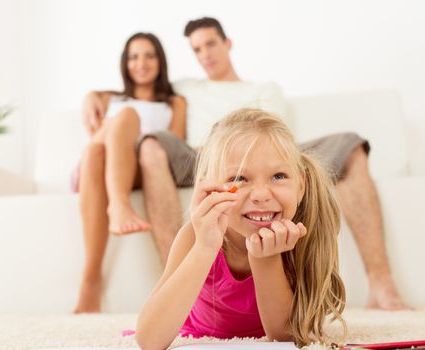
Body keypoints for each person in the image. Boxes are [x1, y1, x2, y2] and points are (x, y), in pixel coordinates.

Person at [83, 18, 409, 310]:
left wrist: (269, 166)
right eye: (196, 49)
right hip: (202, 155)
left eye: (210, 44)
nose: (205, 54)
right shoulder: (185, 89)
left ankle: (381, 283)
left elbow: (277, 144)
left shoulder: (264, 90)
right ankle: (177, 285)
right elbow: (140, 86)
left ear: (227, 44)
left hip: (265, 153)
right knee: (151, 143)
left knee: (350, 144)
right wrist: (95, 95)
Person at [136, 109, 347, 348]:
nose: (260, 195)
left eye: (278, 176)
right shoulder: (193, 238)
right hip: (198, 334)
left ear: (301, 186)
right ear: (210, 188)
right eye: (238, 178)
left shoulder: (305, 235)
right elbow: (149, 341)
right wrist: (205, 248)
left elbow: (286, 339)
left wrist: (265, 258)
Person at [74, 32, 186, 313]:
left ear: (160, 60)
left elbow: (172, 144)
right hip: (98, 164)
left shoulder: (174, 102)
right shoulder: (111, 99)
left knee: (127, 117)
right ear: (125, 63)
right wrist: (94, 98)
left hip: (141, 166)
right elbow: (95, 139)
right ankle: (91, 278)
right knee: (98, 147)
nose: (141, 63)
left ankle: (119, 205)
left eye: (149, 55)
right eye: (133, 57)